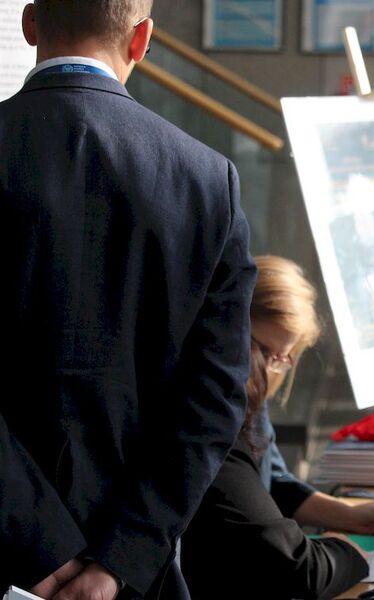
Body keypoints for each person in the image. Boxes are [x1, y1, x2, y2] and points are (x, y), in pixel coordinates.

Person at [0, 1, 256, 599]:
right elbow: (215, 397)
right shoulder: (208, 179)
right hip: (133, 575)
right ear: (142, 39)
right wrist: (117, 561)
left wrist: (40, 549)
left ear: (30, 22)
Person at [182, 255, 374, 599]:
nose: (266, 368)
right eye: (262, 350)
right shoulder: (212, 415)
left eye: (280, 358)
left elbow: (270, 479)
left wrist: (351, 515)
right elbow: (297, 568)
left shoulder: (248, 396)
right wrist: (345, 552)